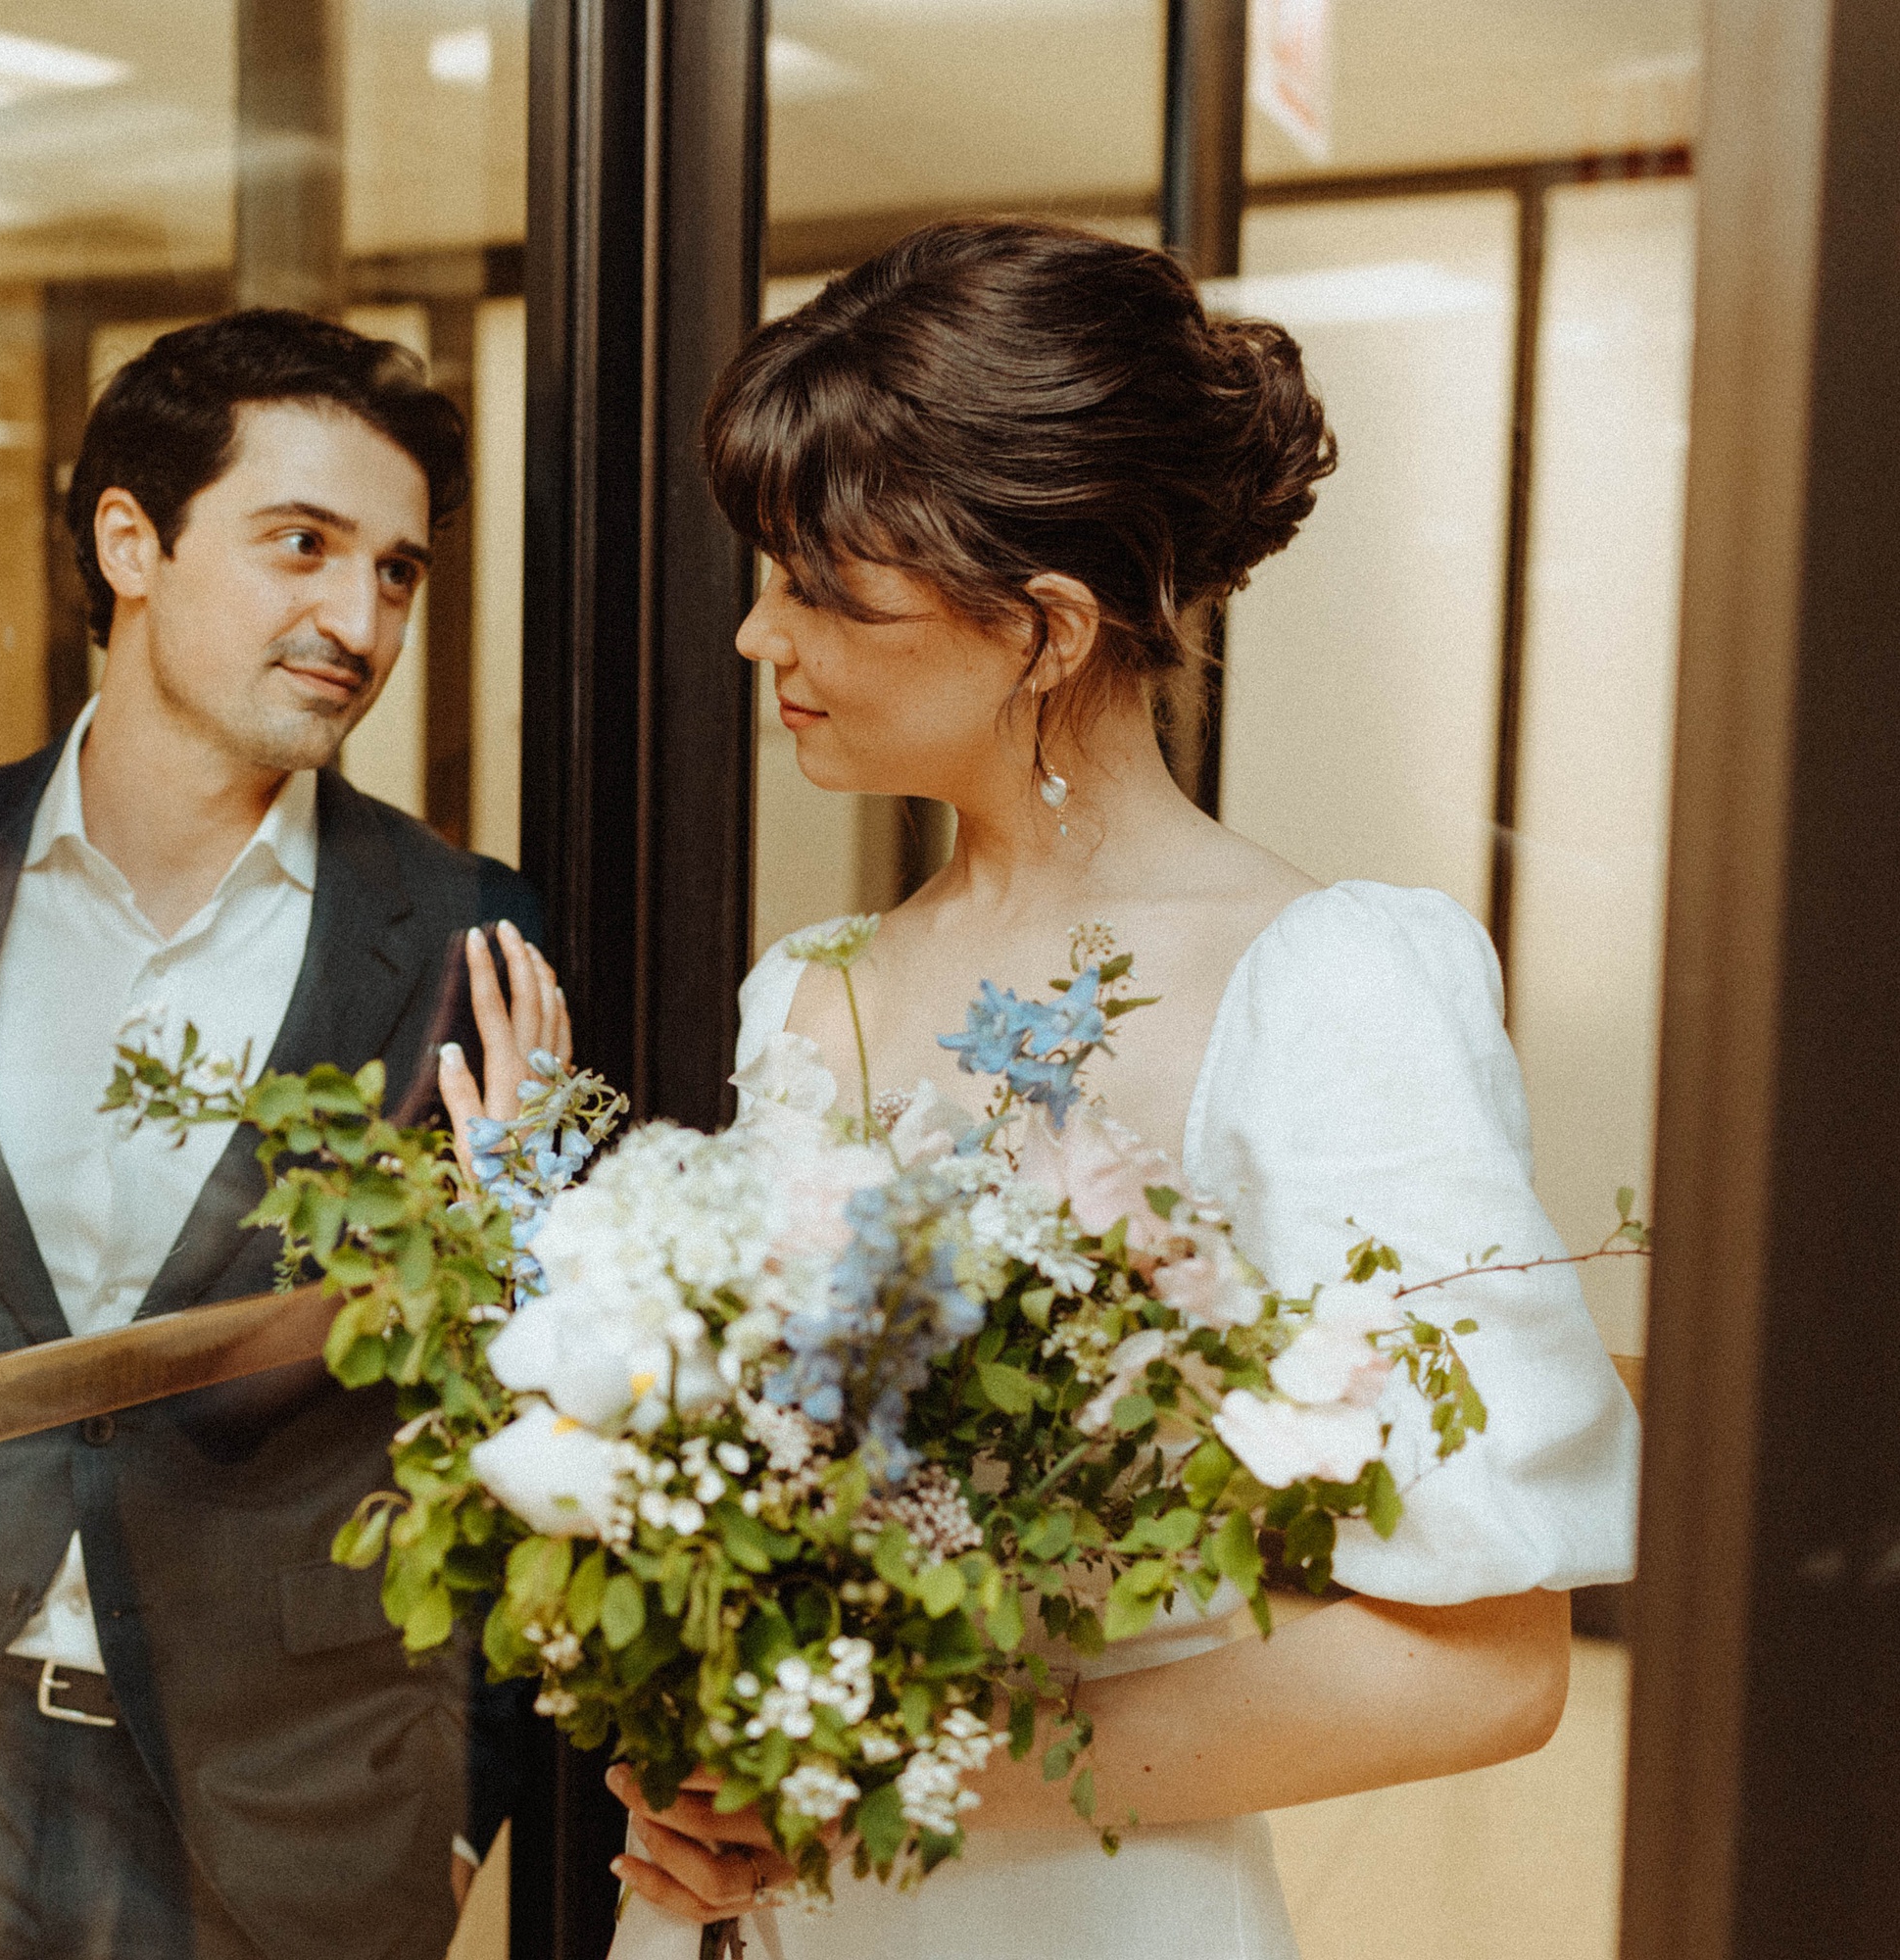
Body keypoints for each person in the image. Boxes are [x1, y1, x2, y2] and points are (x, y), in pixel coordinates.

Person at [455, 219, 1641, 1957]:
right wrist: (703, 1742)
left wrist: (887, 1763)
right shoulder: (813, 995)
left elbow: (1482, 1669)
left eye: (817, 588)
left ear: (1045, 630)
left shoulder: (1327, 985)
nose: (750, 637)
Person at [0, 309, 569, 1959]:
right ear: (130, 540)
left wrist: (455, 1800)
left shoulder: (463, 941)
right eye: (301, 544)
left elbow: (514, 1406)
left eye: (396, 571)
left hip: (273, 1802)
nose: (355, 617)